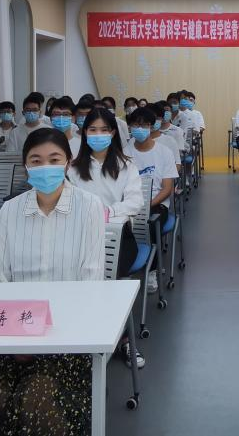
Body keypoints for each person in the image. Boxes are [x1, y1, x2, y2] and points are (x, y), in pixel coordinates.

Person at [0, 128, 104, 436]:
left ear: (68, 162)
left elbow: (91, 282)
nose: (45, 167)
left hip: (68, 335)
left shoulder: (89, 207)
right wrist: (18, 339)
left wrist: (47, 338)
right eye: (36, 160)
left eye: (54, 159)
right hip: (14, 334)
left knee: (36, 402)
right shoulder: (10, 210)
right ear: (25, 165)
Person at [66, 107, 147, 369]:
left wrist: (109, 212)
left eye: (103, 130)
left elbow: (135, 201)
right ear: (84, 132)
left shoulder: (126, 165)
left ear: (113, 133)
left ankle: (124, 340)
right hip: (81, 236)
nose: (98, 134)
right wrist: (89, 215)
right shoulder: (73, 168)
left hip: (117, 236)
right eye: (92, 130)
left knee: (112, 282)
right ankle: (84, 335)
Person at [126, 106, 179, 294]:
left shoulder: (164, 152)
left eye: (144, 125)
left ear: (151, 126)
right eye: (135, 124)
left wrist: (148, 205)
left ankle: (151, 271)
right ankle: (127, 267)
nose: (139, 128)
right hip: (128, 204)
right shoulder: (124, 152)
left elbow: (167, 188)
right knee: (123, 228)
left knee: (148, 226)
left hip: (156, 204)